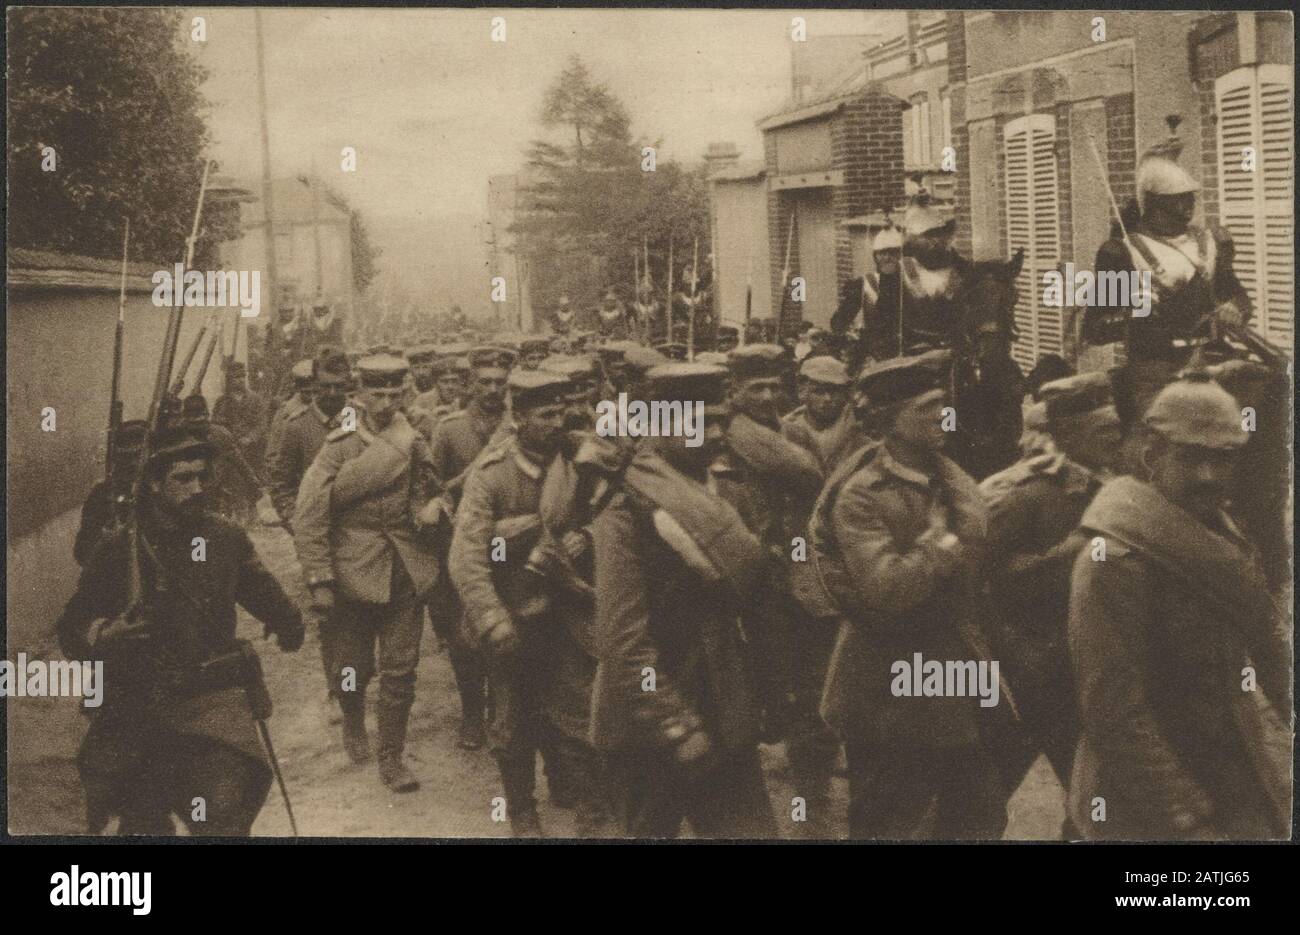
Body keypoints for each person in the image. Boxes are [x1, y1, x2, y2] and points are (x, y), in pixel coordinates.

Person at [1068, 374, 1290, 840]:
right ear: (1153, 458)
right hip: (1145, 799)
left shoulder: (1219, 541)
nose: (1208, 476)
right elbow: (1115, 713)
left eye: (1222, 459)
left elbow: (1272, 658)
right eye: (1191, 457)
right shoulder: (1115, 561)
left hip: (1229, 773)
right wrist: (1185, 817)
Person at [56, 417, 304, 835]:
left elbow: (265, 594)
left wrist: (289, 625)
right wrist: (104, 634)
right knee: (130, 821)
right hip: (135, 707)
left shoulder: (225, 538)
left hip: (209, 704)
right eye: (182, 478)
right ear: (154, 484)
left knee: (223, 814)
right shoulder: (122, 546)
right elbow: (72, 626)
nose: (197, 489)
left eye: (202, 477)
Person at [811, 350, 1011, 839]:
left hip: (943, 677)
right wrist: (943, 544)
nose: (942, 417)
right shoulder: (864, 493)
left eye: (942, 405)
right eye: (926, 409)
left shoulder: (948, 478)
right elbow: (888, 587)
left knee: (980, 812)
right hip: (885, 688)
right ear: (889, 421)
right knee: (885, 822)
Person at [589, 363, 777, 838]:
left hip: (724, 709)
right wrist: (675, 723)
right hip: (647, 725)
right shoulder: (625, 508)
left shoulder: (727, 492)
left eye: (720, 421)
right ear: (659, 426)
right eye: (700, 423)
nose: (716, 434)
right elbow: (624, 640)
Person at [449, 370, 608, 836]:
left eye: (560, 412)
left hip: (571, 611)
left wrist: (587, 536)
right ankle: (522, 810)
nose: (556, 422)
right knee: (513, 720)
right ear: (518, 418)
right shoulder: (492, 473)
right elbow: (467, 557)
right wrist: (493, 619)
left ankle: (587, 806)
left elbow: (615, 513)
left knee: (580, 711)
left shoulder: (583, 459)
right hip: (515, 610)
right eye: (544, 415)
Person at [293, 355, 440, 792]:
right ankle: (354, 722)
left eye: (395, 394)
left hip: (403, 569)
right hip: (350, 571)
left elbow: (425, 492)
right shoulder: (339, 445)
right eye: (377, 394)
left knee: (401, 669)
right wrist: (319, 578)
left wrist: (427, 512)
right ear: (360, 393)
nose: (386, 403)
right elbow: (310, 514)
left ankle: (391, 756)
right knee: (351, 668)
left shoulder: (411, 441)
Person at [978, 372, 1122, 806]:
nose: (1115, 439)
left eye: (1117, 428)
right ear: (1071, 434)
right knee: (981, 796)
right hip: (1028, 670)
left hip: (1081, 665)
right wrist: (1074, 551)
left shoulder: (1111, 485)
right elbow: (985, 581)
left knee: (1095, 796)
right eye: (1103, 431)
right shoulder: (1022, 494)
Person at [1086, 133, 1252, 414]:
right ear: (1153, 204)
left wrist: (1235, 308)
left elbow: (1238, 296)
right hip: (1154, 372)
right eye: (1177, 200)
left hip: (1210, 360)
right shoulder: (1121, 252)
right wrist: (1134, 310)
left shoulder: (1212, 243)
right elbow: (1095, 328)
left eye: (1190, 198)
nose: (1188, 206)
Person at [266, 346, 352, 532]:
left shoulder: (360, 418)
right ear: (315, 384)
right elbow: (281, 483)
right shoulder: (296, 426)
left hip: (358, 532)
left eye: (339, 386)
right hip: (314, 528)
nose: (332, 393)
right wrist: (293, 520)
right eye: (325, 386)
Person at [74, 419, 148, 566]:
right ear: (117, 460)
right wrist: (105, 540)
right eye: (126, 457)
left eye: (138, 456)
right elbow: (82, 554)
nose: (133, 464)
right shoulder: (102, 495)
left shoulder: (157, 489)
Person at [782, 355, 868, 475]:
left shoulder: (857, 425)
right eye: (818, 391)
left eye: (834, 391)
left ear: (844, 394)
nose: (828, 398)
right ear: (803, 392)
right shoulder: (789, 427)